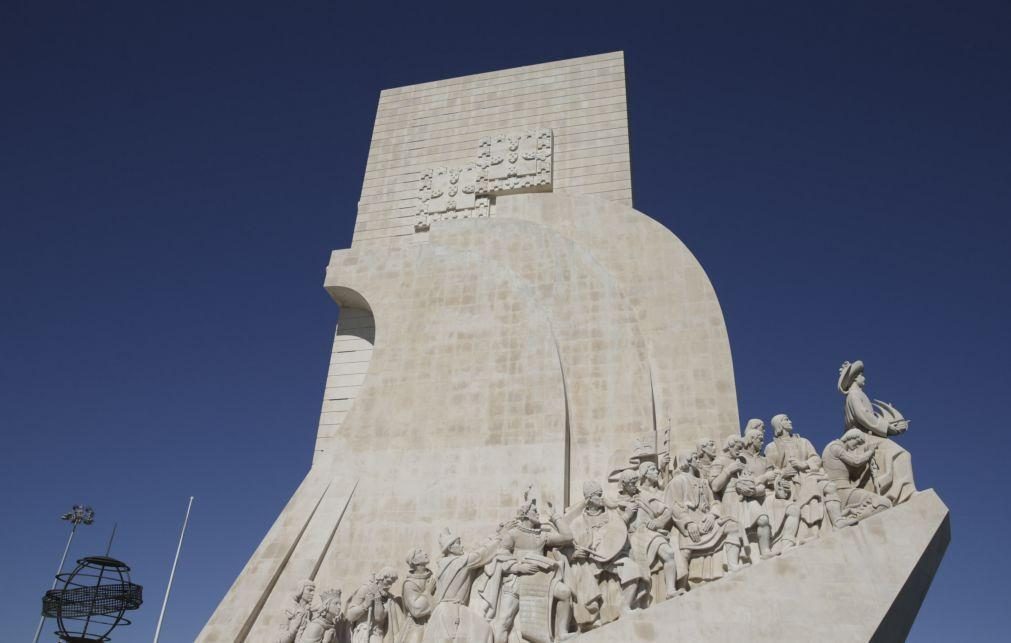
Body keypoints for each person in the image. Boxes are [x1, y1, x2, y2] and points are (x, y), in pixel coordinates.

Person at [567, 481, 647, 630]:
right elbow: (568, 546)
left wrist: (628, 513)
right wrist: (574, 554)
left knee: (633, 568)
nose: (601, 497)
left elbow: (618, 531)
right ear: (589, 499)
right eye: (598, 495)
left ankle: (625, 607)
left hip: (612, 558)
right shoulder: (577, 522)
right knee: (580, 577)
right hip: (590, 562)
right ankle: (588, 620)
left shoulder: (611, 515)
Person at [838, 360, 917, 504]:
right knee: (901, 454)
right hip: (861, 438)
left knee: (900, 455)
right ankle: (902, 494)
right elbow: (863, 416)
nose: (864, 378)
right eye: (862, 375)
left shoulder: (858, 394)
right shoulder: (854, 395)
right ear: (855, 377)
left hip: (868, 435)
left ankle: (901, 492)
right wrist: (887, 427)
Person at [765, 414, 856, 538]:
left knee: (830, 487)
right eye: (786, 420)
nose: (790, 421)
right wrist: (783, 474)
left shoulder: (803, 441)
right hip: (790, 484)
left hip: (809, 476)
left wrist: (803, 464)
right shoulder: (771, 447)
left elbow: (816, 459)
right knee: (812, 494)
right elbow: (770, 472)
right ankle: (810, 532)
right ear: (779, 425)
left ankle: (838, 521)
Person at [498, 498, 576, 641]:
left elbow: (567, 537)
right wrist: (520, 567)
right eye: (534, 511)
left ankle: (562, 633)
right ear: (526, 514)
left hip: (541, 578)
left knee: (565, 592)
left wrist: (555, 517)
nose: (538, 513)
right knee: (503, 622)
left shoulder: (541, 535)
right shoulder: (513, 534)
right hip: (518, 579)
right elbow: (501, 559)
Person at [664, 450, 743, 589]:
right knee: (684, 551)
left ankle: (733, 565)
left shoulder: (704, 482)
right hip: (689, 525)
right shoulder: (677, 481)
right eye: (694, 458)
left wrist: (712, 515)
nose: (698, 460)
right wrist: (689, 524)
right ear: (687, 461)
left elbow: (715, 503)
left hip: (708, 522)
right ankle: (680, 586)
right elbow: (674, 506)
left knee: (732, 527)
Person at [422, 528, 502, 643]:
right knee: (483, 630)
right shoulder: (460, 562)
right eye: (458, 543)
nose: (462, 547)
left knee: (482, 630)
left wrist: (495, 534)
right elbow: (482, 554)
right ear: (450, 548)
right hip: (451, 610)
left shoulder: (443, 564)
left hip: (444, 610)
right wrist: (500, 537)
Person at [615, 468, 680, 602]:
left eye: (635, 482)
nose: (634, 486)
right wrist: (627, 514)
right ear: (624, 485)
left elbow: (667, 510)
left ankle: (671, 590)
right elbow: (615, 528)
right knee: (637, 567)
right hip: (632, 539)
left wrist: (657, 522)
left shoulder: (643, 495)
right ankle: (635, 600)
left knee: (668, 553)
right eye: (631, 484)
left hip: (649, 533)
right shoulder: (617, 502)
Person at [822, 429, 893, 519]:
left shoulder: (840, 449)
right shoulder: (835, 447)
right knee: (882, 503)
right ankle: (851, 520)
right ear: (850, 437)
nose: (858, 446)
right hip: (841, 490)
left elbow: (854, 475)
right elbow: (856, 461)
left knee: (884, 503)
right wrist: (870, 451)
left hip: (845, 490)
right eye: (858, 442)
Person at [346, 568, 402, 643]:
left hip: (377, 635)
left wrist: (377, 598)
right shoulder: (365, 589)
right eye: (388, 582)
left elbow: (379, 617)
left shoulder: (388, 599)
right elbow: (350, 616)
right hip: (363, 633)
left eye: (392, 583)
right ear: (381, 579)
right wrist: (365, 605)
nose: (389, 586)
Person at [398, 549, 435, 643]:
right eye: (420, 552)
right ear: (414, 561)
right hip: (417, 627)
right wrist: (428, 591)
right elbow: (416, 610)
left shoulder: (432, 577)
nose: (425, 553)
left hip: (434, 622)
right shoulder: (409, 584)